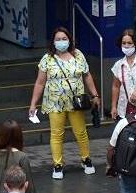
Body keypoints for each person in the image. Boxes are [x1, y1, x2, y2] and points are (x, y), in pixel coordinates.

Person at [29, 27, 100, 176]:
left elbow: (87, 76)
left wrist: (95, 95)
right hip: (54, 102)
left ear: (69, 40)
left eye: (64, 39)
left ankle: (86, 159)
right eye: (58, 39)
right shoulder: (47, 58)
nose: (61, 42)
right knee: (56, 134)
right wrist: (33, 104)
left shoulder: (78, 55)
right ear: (53, 42)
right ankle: (57, 164)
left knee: (80, 132)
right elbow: (40, 82)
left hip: (76, 102)